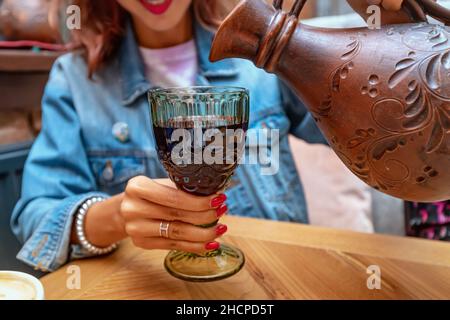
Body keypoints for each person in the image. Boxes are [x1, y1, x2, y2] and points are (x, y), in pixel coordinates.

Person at [11, 0, 406, 272]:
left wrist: (393, 18)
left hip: (275, 281)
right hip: (158, 288)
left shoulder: (262, 56)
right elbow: (35, 216)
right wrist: (114, 216)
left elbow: (376, 127)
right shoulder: (76, 80)